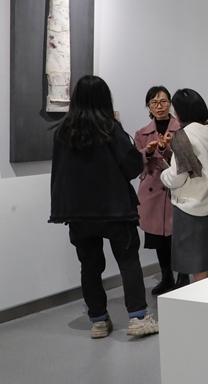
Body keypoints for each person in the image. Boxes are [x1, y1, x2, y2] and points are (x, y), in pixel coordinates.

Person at [49, 75, 159, 338]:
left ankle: (98, 320)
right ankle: (138, 318)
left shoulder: (63, 132)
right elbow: (131, 166)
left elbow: (59, 174)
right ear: (104, 98)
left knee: (89, 265)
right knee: (128, 262)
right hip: (115, 209)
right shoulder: (109, 128)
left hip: (79, 213)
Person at [161, 89, 208, 284]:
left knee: (195, 264)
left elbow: (178, 176)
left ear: (179, 112)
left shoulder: (184, 136)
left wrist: (163, 174)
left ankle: (204, 301)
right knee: (205, 258)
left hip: (188, 205)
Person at [134, 86, 184, 295]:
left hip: (176, 189)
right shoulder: (141, 133)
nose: (159, 106)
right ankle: (166, 277)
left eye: (163, 101)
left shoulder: (181, 129)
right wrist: (148, 151)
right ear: (148, 106)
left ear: (170, 103)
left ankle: (183, 276)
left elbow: (185, 158)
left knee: (179, 236)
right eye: (154, 103)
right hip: (152, 191)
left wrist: (165, 148)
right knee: (158, 239)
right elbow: (135, 162)